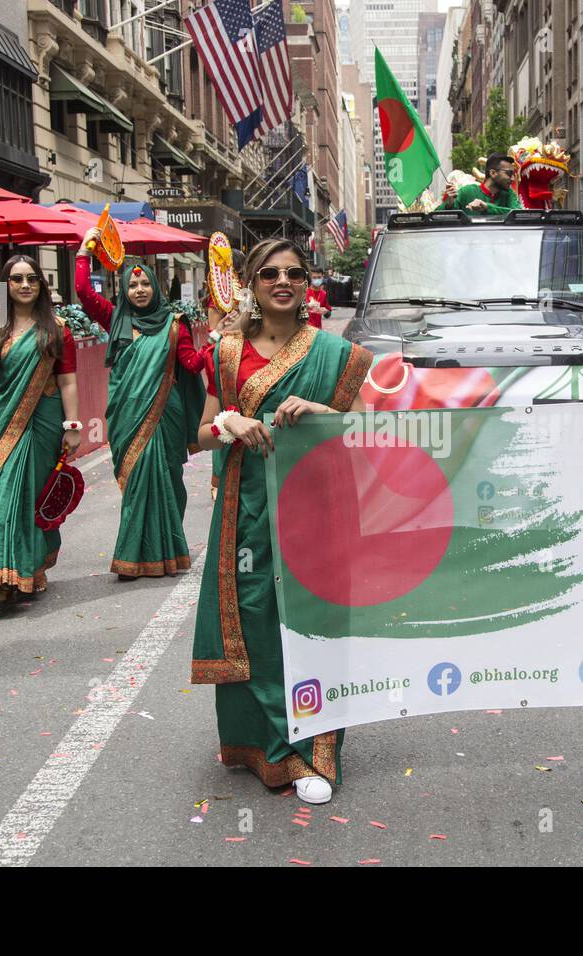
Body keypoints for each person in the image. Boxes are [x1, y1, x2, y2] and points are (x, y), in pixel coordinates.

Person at [191, 238, 372, 805]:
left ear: (308, 281)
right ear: (251, 281)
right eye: (269, 273)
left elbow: (365, 430)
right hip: (243, 510)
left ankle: (312, 752)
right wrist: (230, 423)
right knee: (251, 620)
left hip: (312, 508)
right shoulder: (224, 350)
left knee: (307, 620)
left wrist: (323, 413)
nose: (282, 281)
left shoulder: (332, 352)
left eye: (294, 272)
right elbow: (199, 435)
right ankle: (258, 744)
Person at [75, 227, 207, 579]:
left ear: (156, 287)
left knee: (168, 480)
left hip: (166, 414)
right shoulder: (116, 319)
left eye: (145, 284)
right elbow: (84, 292)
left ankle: (167, 552)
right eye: (132, 286)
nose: (139, 290)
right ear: (124, 291)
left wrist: (219, 340)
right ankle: (133, 556)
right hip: (127, 417)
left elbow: (192, 364)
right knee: (136, 483)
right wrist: (84, 252)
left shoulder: (175, 324)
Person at [0, 256, 81, 609]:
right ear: (6, 286)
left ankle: (21, 572)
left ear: (41, 285)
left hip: (44, 422)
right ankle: (0, 571)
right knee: (3, 496)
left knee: (32, 497)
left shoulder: (57, 328)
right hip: (0, 422)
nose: (25, 285)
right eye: (17, 279)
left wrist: (73, 426)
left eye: (32, 279)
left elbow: (68, 381)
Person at [440, 153, 522, 216]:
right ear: (493, 173)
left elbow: (518, 214)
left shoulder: (509, 194)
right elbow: (438, 218)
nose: (512, 179)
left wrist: (487, 207)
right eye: (509, 174)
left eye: (513, 175)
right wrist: (449, 204)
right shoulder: (467, 192)